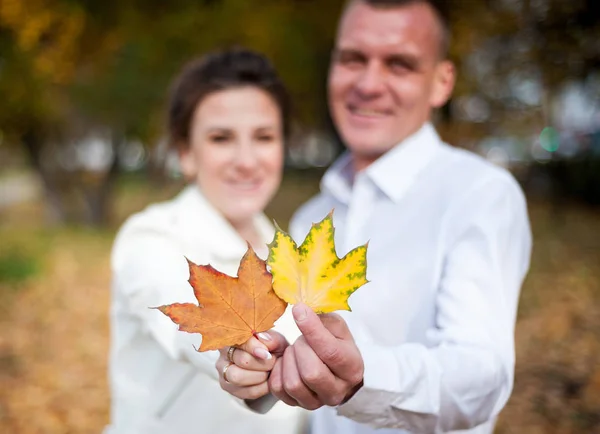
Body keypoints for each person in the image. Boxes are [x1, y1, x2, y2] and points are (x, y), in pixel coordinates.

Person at [217, 1, 533, 433]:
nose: (368, 84)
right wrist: (259, 379)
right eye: (352, 59)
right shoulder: (312, 218)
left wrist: (363, 377)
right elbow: (295, 373)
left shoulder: (480, 195)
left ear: (441, 83)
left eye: (399, 65)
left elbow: (481, 376)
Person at [104, 47, 308, 434]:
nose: (246, 160)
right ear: (186, 153)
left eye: (264, 137)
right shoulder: (150, 238)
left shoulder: (290, 254)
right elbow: (175, 314)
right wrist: (232, 356)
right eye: (221, 138)